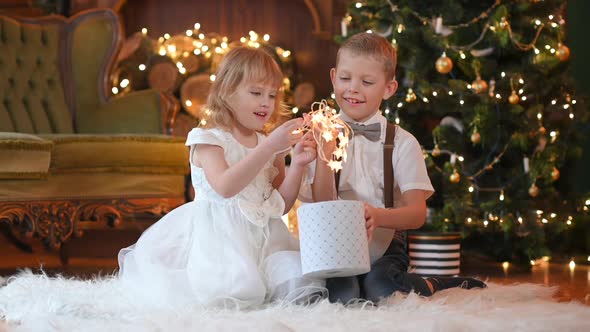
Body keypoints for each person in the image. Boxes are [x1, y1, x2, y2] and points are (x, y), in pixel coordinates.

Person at [118, 46, 325, 309]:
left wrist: (296, 165)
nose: (266, 102)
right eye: (256, 93)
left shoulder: (268, 145)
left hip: (266, 239)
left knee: (295, 275)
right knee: (233, 288)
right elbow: (226, 187)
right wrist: (270, 147)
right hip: (220, 240)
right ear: (227, 93)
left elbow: (279, 205)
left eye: (272, 95)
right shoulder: (209, 140)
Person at [301, 32, 485, 304]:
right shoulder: (320, 135)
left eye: (367, 82)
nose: (353, 88)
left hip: (385, 247)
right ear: (333, 77)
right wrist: (325, 156)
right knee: (341, 296)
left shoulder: (402, 142)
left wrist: (378, 215)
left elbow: (417, 214)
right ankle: (355, 285)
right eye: (345, 78)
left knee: (383, 290)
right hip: (336, 248)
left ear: (388, 88)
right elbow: (321, 204)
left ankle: (431, 282)